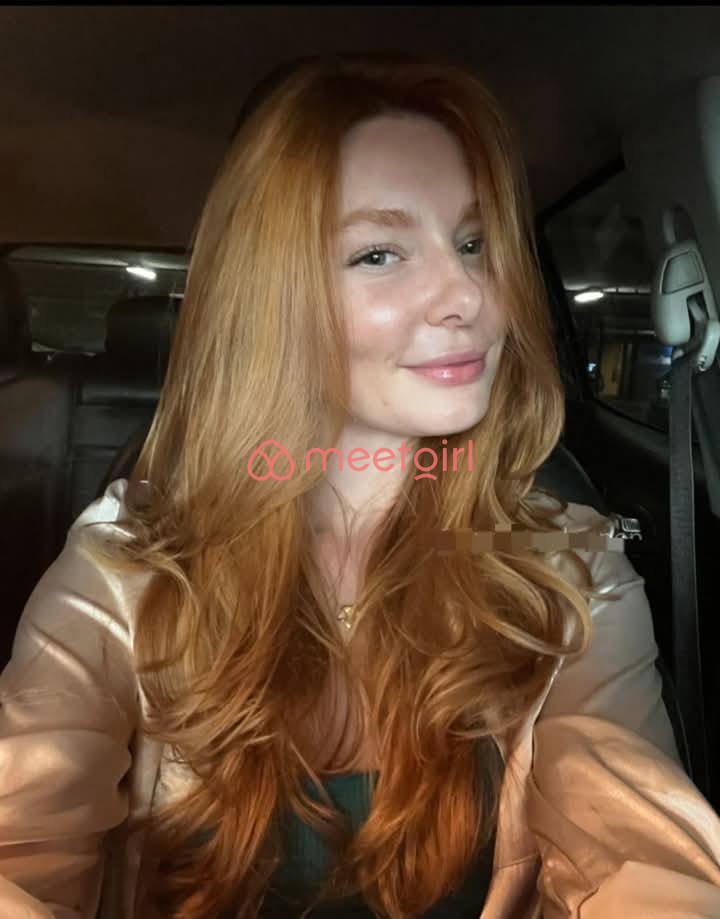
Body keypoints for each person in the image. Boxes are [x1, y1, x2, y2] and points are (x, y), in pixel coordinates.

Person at [1, 52, 719, 919]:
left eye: (473, 243)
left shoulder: (573, 570)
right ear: (277, 298)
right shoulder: (125, 574)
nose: (469, 295)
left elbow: (642, 850)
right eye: (379, 253)